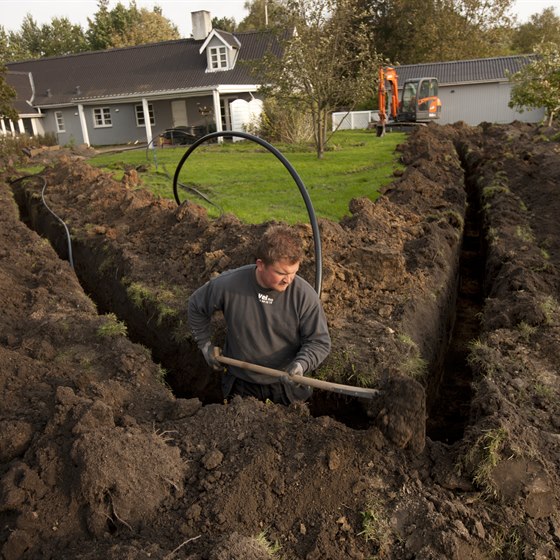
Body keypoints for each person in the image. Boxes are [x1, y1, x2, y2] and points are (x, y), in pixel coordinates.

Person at [188, 224, 331, 405]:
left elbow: (319, 341)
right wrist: (205, 346)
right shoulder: (229, 285)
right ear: (261, 265)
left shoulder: (304, 295)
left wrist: (301, 364)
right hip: (241, 384)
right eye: (281, 273)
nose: (288, 279)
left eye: (294, 272)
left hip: (285, 386)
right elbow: (195, 306)